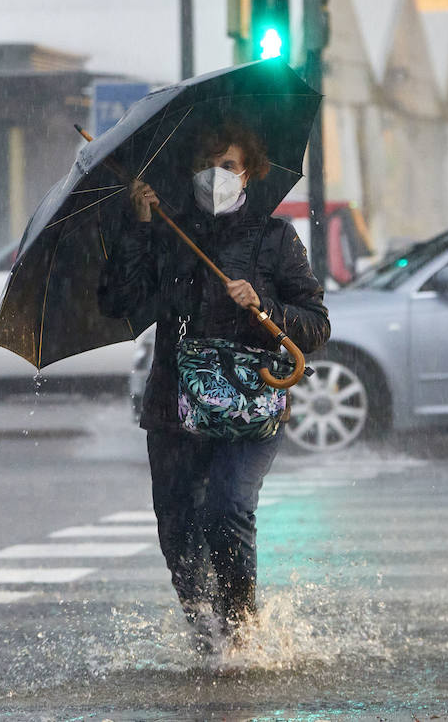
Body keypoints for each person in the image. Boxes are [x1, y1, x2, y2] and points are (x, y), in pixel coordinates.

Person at [97, 121, 330, 654]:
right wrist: (138, 226)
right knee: (177, 523)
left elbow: (316, 324)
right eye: (207, 163)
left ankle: (242, 631)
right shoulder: (165, 232)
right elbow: (119, 303)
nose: (216, 175)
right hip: (174, 404)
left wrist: (264, 307)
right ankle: (205, 631)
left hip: (250, 405)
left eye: (228, 164)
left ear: (250, 170)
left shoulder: (274, 240)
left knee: (227, 507)